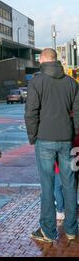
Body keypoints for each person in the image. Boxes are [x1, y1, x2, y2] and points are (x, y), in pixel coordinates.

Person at [25, 48, 79, 243]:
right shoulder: (71, 83)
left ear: (44, 61)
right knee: (69, 184)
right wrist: (72, 134)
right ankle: (72, 228)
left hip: (45, 139)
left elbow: (31, 113)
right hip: (66, 139)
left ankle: (48, 231)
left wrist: (33, 137)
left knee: (47, 185)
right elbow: (78, 113)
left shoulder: (36, 82)